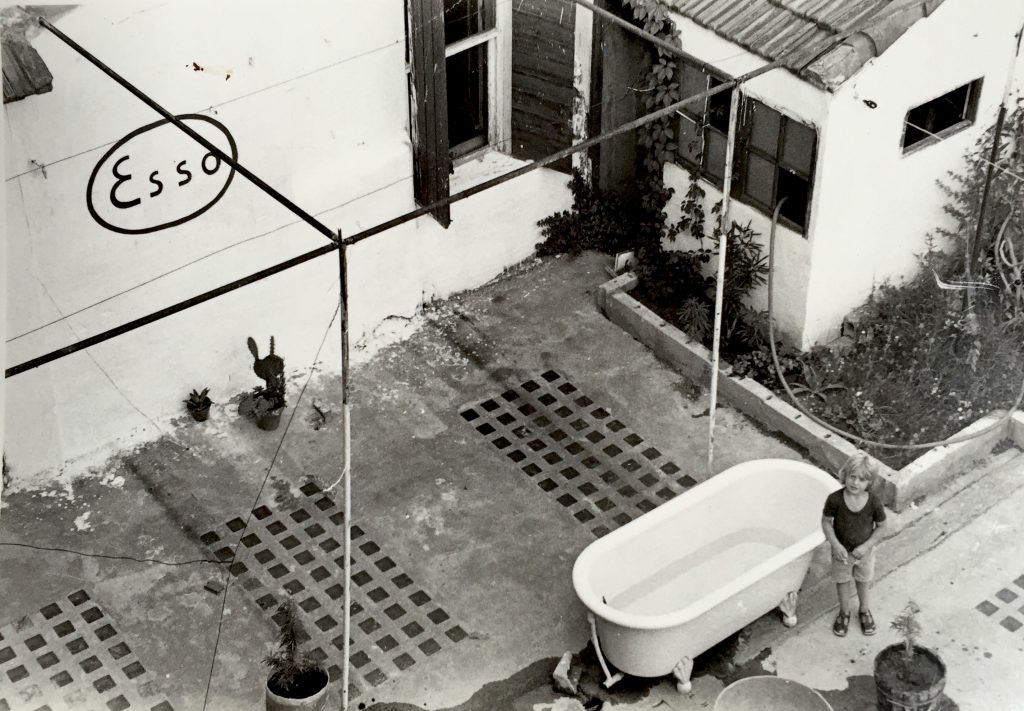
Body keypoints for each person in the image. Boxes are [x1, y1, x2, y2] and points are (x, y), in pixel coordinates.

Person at [822, 454, 887, 637]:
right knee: (842, 582)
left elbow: (881, 527)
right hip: (841, 553)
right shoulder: (835, 499)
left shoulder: (873, 502)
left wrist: (866, 546)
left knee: (863, 582)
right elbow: (826, 522)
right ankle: (844, 612)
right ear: (845, 475)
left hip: (864, 553)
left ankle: (864, 610)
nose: (855, 482)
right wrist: (835, 545)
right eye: (852, 476)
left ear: (870, 482)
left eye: (862, 479)